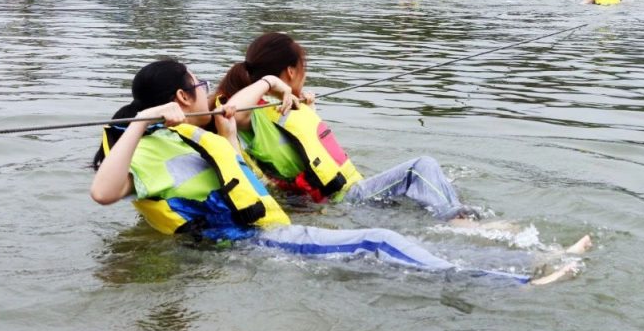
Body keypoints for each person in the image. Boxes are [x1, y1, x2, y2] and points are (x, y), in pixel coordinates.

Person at [91, 59, 587, 284]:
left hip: (265, 233)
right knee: (378, 241)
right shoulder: (145, 150)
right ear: (180, 97)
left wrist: (279, 94)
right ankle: (514, 279)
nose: (204, 88)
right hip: (244, 246)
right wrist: (140, 125)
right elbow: (103, 193)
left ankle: (526, 257)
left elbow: (235, 155)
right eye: (195, 83)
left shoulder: (205, 133)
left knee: (389, 239)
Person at [213, 33, 492, 222]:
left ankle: (458, 214)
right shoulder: (255, 115)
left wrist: (304, 106)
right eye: (304, 66)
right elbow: (229, 114)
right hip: (347, 198)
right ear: (291, 71)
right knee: (421, 167)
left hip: (349, 195)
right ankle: (459, 220)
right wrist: (271, 83)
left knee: (439, 182)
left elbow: (309, 147)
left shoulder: (281, 108)